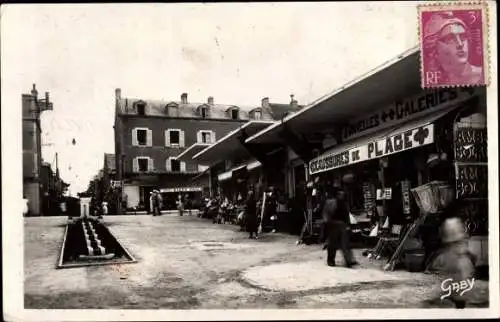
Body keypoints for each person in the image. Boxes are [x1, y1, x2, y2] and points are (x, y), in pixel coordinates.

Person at [423, 11, 484, 85]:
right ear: (434, 49)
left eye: (463, 37)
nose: (460, 44)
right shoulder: (433, 82)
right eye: (450, 39)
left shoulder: (482, 75)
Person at [323, 187, 358, 268]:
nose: (342, 195)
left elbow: (347, 215)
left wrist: (348, 225)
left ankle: (348, 260)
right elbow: (326, 213)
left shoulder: (344, 204)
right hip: (333, 224)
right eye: (340, 194)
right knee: (332, 244)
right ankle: (331, 260)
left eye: (342, 194)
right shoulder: (330, 202)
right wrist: (327, 223)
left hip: (342, 225)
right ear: (337, 195)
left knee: (345, 244)